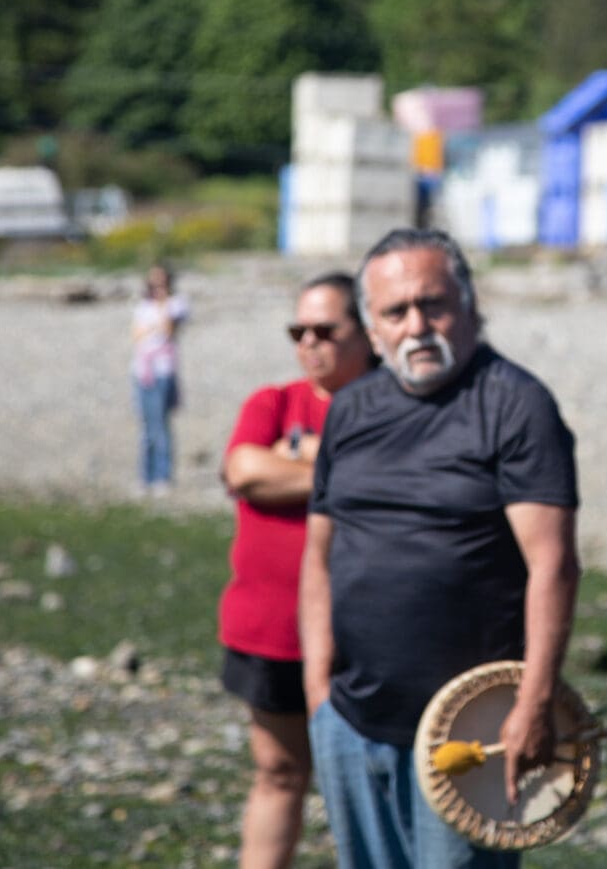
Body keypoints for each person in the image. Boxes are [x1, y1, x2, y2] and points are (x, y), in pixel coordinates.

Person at [299, 228, 581, 869]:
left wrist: (534, 703)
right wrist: (319, 693)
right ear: (371, 329)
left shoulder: (516, 405)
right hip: (350, 718)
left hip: (472, 731)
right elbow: (319, 555)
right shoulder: (349, 410)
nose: (417, 325)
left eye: (434, 304)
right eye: (395, 312)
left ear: (470, 305)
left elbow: (554, 566)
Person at [218, 272, 376, 869]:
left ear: (364, 333)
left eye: (325, 330)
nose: (310, 343)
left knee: (367, 783)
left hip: (364, 636)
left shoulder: (394, 403)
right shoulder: (272, 402)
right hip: (271, 630)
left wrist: (301, 458)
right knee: (279, 773)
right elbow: (243, 472)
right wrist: (348, 474)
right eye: (298, 331)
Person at [129, 261, 188, 497]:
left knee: (160, 425)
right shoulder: (143, 306)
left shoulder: (176, 304)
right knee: (146, 426)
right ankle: (146, 476)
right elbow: (136, 335)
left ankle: (163, 476)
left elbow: (168, 329)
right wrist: (152, 327)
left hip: (164, 370)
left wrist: (161, 308)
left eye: (160, 281)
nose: (156, 286)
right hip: (143, 371)